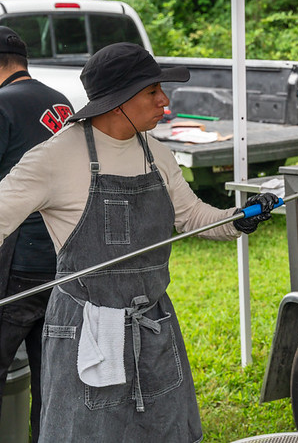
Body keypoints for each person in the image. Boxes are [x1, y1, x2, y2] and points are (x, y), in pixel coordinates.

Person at [0, 42, 279, 442]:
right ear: (118, 102)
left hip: (153, 326)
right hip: (86, 332)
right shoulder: (53, 158)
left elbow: (193, 218)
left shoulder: (157, 155)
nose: (164, 100)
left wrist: (240, 218)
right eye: (152, 91)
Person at [0, 26, 74, 442]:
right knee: (51, 380)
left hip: (15, 263)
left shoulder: (1, 105)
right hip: (62, 261)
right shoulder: (58, 101)